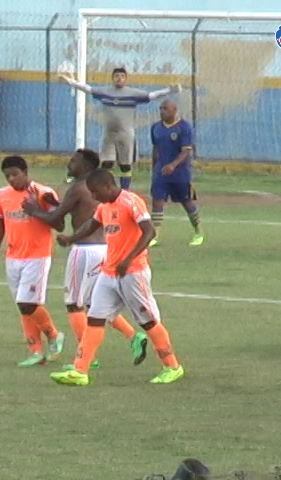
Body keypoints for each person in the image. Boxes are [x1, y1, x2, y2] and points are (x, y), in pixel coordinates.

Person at [50, 169, 185, 386]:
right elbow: (91, 225)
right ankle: (80, 371)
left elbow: (149, 231)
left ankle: (172, 366)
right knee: (95, 317)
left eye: (96, 192)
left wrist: (129, 258)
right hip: (109, 272)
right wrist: (71, 239)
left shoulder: (131, 201)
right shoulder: (104, 207)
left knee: (148, 321)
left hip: (133, 272)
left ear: (107, 186)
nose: (94, 197)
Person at [21, 148, 149, 370]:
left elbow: (55, 218)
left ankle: (88, 357)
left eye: (74, 161)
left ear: (87, 167)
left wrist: (33, 210)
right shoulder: (94, 190)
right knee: (95, 304)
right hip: (103, 249)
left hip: (84, 250)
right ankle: (133, 336)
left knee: (74, 304)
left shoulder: (79, 188)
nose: (69, 164)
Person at [0, 155, 65, 366]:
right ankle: (36, 351)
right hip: (13, 258)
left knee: (26, 302)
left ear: (26, 173)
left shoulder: (44, 193)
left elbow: (60, 225)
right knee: (24, 306)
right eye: (7, 176)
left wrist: (35, 209)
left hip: (37, 256)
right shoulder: (2, 195)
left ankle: (54, 335)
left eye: (15, 175)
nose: (11, 179)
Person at [59, 68, 178, 190]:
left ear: (126, 79)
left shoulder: (132, 94)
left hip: (125, 133)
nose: (119, 78)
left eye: (122, 76)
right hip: (109, 134)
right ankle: (104, 187)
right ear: (112, 78)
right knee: (106, 163)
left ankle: (125, 190)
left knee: (125, 165)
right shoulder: (106, 92)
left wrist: (168, 90)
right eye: (116, 76)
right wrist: (70, 81)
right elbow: (88, 89)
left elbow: (151, 96)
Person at [149, 99, 204, 247]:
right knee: (157, 201)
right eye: (160, 108)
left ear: (174, 110)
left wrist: (173, 165)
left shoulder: (184, 127)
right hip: (161, 172)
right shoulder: (156, 128)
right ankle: (155, 235)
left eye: (165, 108)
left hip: (180, 174)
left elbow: (186, 151)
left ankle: (198, 232)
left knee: (186, 202)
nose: (162, 111)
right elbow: (156, 149)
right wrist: (154, 169)